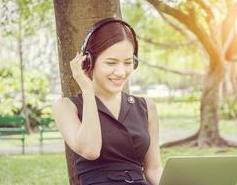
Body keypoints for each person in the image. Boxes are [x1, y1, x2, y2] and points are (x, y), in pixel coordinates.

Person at [52, 17, 163, 185]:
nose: (120, 72)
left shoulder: (147, 107)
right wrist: (87, 90)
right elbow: (90, 150)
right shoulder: (66, 107)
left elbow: (153, 169)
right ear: (89, 62)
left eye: (128, 63)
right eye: (111, 63)